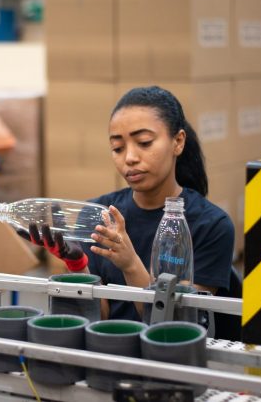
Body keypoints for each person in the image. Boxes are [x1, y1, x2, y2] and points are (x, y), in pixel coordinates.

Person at [22, 86, 235, 323]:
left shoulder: (211, 225)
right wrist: (77, 266)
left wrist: (130, 264)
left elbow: (175, 327)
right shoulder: (98, 216)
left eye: (144, 143)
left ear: (178, 142)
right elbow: (98, 318)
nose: (130, 158)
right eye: (117, 148)